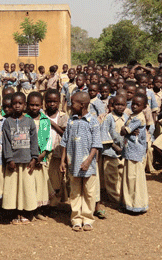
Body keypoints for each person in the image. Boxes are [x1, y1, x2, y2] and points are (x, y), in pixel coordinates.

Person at [60, 92, 102, 231]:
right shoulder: (71, 121)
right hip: (73, 164)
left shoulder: (93, 122)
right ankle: (76, 219)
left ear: (82, 105)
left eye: (73, 103)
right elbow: (64, 142)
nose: (71, 105)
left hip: (88, 165)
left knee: (89, 192)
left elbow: (96, 144)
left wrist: (89, 160)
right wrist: (63, 161)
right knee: (75, 192)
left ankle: (88, 218)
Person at [1, 92, 39, 225]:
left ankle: (25, 212)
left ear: (25, 105)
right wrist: (9, 159)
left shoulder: (29, 122)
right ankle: (15, 213)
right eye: (14, 103)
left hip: (27, 161)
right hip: (13, 163)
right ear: (11, 105)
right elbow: (6, 142)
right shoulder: (7, 122)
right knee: (13, 189)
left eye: (20, 103)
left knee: (26, 188)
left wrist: (34, 158)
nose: (17, 106)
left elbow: (34, 141)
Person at [120, 93, 149, 214]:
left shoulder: (138, 118)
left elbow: (123, 130)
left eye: (138, 104)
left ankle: (135, 204)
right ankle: (129, 203)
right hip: (130, 150)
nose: (134, 106)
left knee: (133, 178)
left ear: (144, 106)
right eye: (133, 104)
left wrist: (125, 130)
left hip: (135, 152)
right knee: (129, 177)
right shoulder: (133, 116)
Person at [26, 91, 52, 219]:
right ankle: (30, 209)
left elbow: (48, 139)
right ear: (27, 105)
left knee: (40, 184)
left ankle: (39, 210)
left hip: (41, 157)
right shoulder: (24, 119)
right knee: (30, 184)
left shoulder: (45, 120)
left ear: (41, 105)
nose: (34, 108)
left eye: (37, 105)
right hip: (28, 157)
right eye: (31, 105)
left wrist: (42, 154)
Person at [100, 94, 128, 204]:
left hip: (123, 152)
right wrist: (115, 147)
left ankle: (121, 195)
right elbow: (104, 134)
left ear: (126, 106)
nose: (119, 107)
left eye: (122, 105)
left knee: (121, 174)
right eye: (117, 104)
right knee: (111, 177)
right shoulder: (108, 118)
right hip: (111, 151)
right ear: (112, 105)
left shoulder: (126, 117)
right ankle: (115, 199)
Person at [43, 89, 68, 207]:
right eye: (49, 101)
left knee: (56, 178)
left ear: (59, 102)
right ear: (45, 102)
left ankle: (54, 203)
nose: (52, 104)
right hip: (44, 151)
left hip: (57, 150)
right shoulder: (41, 115)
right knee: (45, 177)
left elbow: (64, 134)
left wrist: (51, 123)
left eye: (55, 101)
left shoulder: (63, 116)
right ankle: (46, 203)